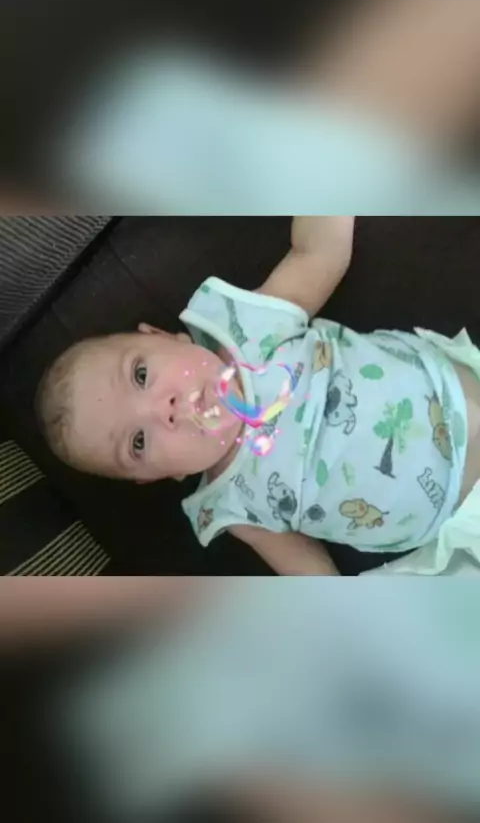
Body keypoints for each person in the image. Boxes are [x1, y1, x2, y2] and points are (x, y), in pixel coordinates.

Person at [35, 216, 480, 575]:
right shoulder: (232, 506)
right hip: (462, 515)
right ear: (162, 475)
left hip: (457, 388)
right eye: (138, 441)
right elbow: (308, 568)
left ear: (165, 337)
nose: (163, 409)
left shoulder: (249, 328)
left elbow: (320, 254)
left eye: (141, 374)